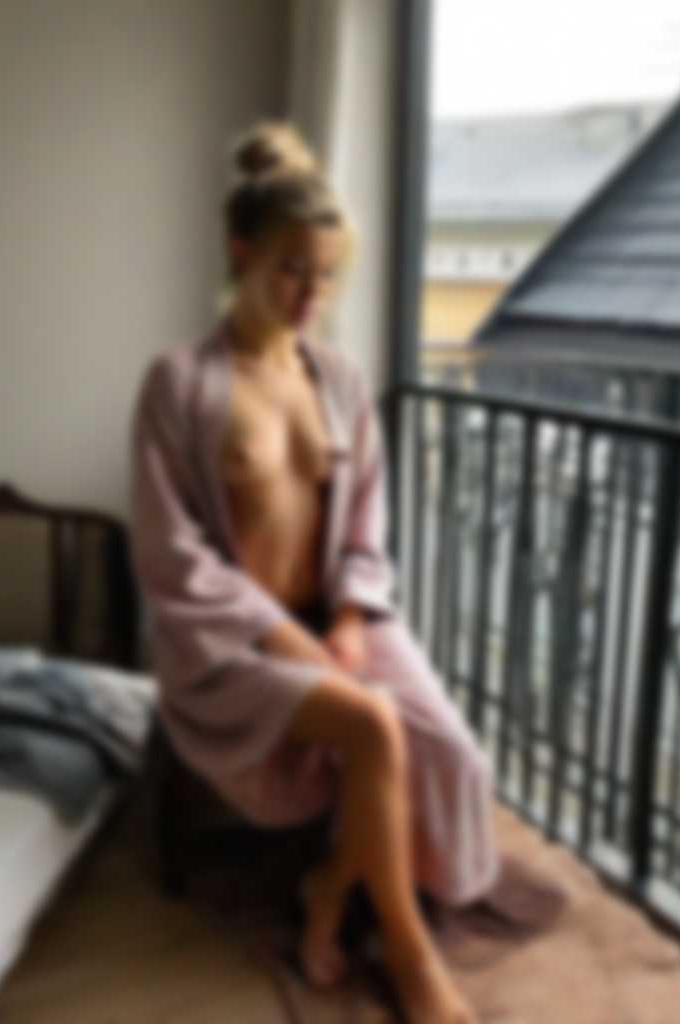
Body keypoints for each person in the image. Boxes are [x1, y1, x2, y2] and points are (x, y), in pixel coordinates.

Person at [129, 119, 500, 1024]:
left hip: (335, 617)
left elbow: (368, 520)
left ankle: (333, 882)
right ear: (241, 250)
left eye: (328, 276)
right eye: (293, 269)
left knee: (454, 755)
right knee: (373, 726)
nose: (312, 295)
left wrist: (349, 618)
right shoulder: (179, 383)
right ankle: (411, 960)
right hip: (230, 643)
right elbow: (170, 552)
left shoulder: (340, 379)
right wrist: (286, 638)